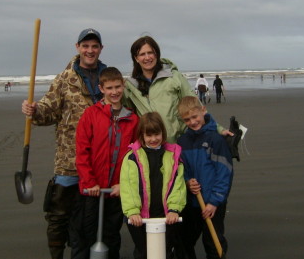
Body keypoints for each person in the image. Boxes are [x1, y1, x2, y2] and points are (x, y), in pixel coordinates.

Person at [21, 28, 106, 259]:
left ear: (100, 49)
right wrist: (35, 111)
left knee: (93, 217)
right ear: (77, 47)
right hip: (69, 160)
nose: (90, 50)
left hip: (101, 161)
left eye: (94, 46)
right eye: (85, 46)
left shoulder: (108, 78)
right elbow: (48, 111)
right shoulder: (64, 79)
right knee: (58, 214)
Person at [71, 67, 139, 259]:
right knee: (86, 233)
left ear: (123, 86)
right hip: (92, 189)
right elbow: (82, 151)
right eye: (109, 88)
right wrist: (89, 181)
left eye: (118, 87)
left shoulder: (132, 119)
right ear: (101, 88)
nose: (114, 92)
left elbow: (134, 157)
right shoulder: (91, 114)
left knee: (111, 235)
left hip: (116, 190)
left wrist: (123, 184)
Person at [120, 112, 186, 259]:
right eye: (149, 136)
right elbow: (128, 187)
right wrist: (132, 211)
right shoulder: (132, 157)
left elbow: (178, 183)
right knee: (143, 251)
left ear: (163, 132)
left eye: (157, 134)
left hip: (166, 215)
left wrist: (174, 209)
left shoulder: (173, 156)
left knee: (165, 250)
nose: (154, 139)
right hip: (139, 217)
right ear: (142, 135)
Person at [177, 96, 233, 259]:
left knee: (213, 243)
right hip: (192, 203)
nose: (193, 122)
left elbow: (225, 173)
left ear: (203, 111)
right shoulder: (182, 141)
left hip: (212, 203)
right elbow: (182, 169)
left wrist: (214, 202)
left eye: (195, 117)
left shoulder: (216, 140)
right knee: (184, 241)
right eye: (187, 119)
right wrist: (187, 181)